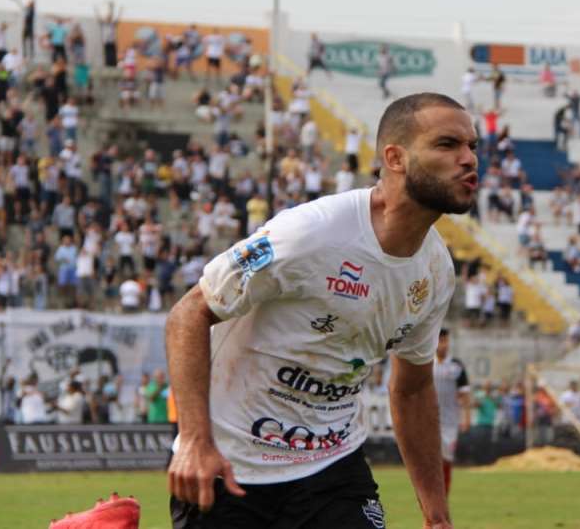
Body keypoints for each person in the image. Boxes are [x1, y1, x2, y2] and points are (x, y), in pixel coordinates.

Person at [166, 93, 477, 528]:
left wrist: (436, 513)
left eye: (472, 147)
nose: (468, 159)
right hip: (230, 467)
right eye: (448, 144)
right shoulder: (311, 233)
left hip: (331, 471)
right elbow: (189, 313)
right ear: (395, 158)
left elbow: (411, 389)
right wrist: (194, 440)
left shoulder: (436, 270)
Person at [433, 329, 471, 497]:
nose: (444, 345)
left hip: (450, 421)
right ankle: (432, 501)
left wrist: (466, 417)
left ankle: (443, 498)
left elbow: (464, 394)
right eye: (441, 340)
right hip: (428, 421)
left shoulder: (456, 366)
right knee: (431, 461)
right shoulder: (425, 364)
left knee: (446, 460)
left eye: (446, 340)